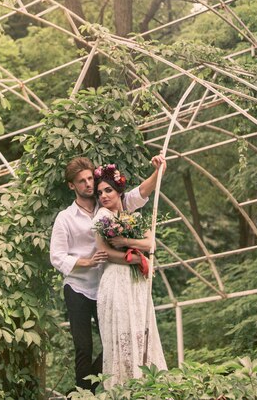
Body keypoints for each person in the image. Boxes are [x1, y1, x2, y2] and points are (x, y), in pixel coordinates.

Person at [49, 154, 166, 392]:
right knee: (83, 347)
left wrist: (159, 171)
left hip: (107, 286)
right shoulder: (65, 218)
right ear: (72, 185)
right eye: (81, 181)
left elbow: (140, 193)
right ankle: (81, 394)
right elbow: (57, 257)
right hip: (79, 287)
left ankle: (88, 390)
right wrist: (87, 261)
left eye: (90, 178)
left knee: (114, 341)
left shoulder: (108, 203)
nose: (88, 184)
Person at [92, 163, 167, 389]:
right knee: (121, 328)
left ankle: (147, 381)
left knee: (139, 327)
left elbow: (150, 242)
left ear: (119, 192)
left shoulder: (128, 215)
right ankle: (123, 385)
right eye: (100, 193)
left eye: (108, 191)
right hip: (115, 279)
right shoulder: (101, 218)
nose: (103, 196)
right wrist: (132, 258)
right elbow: (104, 252)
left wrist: (127, 242)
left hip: (135, 280)